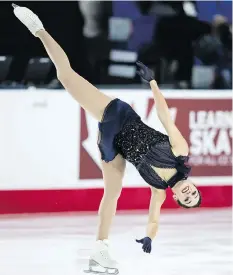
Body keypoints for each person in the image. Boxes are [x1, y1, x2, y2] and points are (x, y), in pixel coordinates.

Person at [12, 4, 201, 275]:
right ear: (192, 185)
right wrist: (153, 83)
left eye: (187, 199)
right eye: (193, 193)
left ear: (177, 198)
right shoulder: (180, 151)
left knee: (112, 192)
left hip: (117, 148)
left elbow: (154, 220)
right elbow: (164, 117)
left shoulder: (160, 192)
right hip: (121, 117)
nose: (189, 193)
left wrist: (150, 237)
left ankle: (100, 250)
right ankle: (38, 28)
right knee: (66, 76)